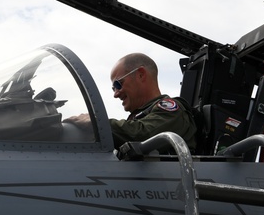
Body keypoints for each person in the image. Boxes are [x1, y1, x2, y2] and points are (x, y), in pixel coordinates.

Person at [66, 53, 197, 151]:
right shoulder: (141, 117)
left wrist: (95, 122)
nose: (116, 94)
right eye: (113, 88)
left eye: (118, 84)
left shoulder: (171, 110)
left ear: (140, 75)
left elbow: (141, 134)